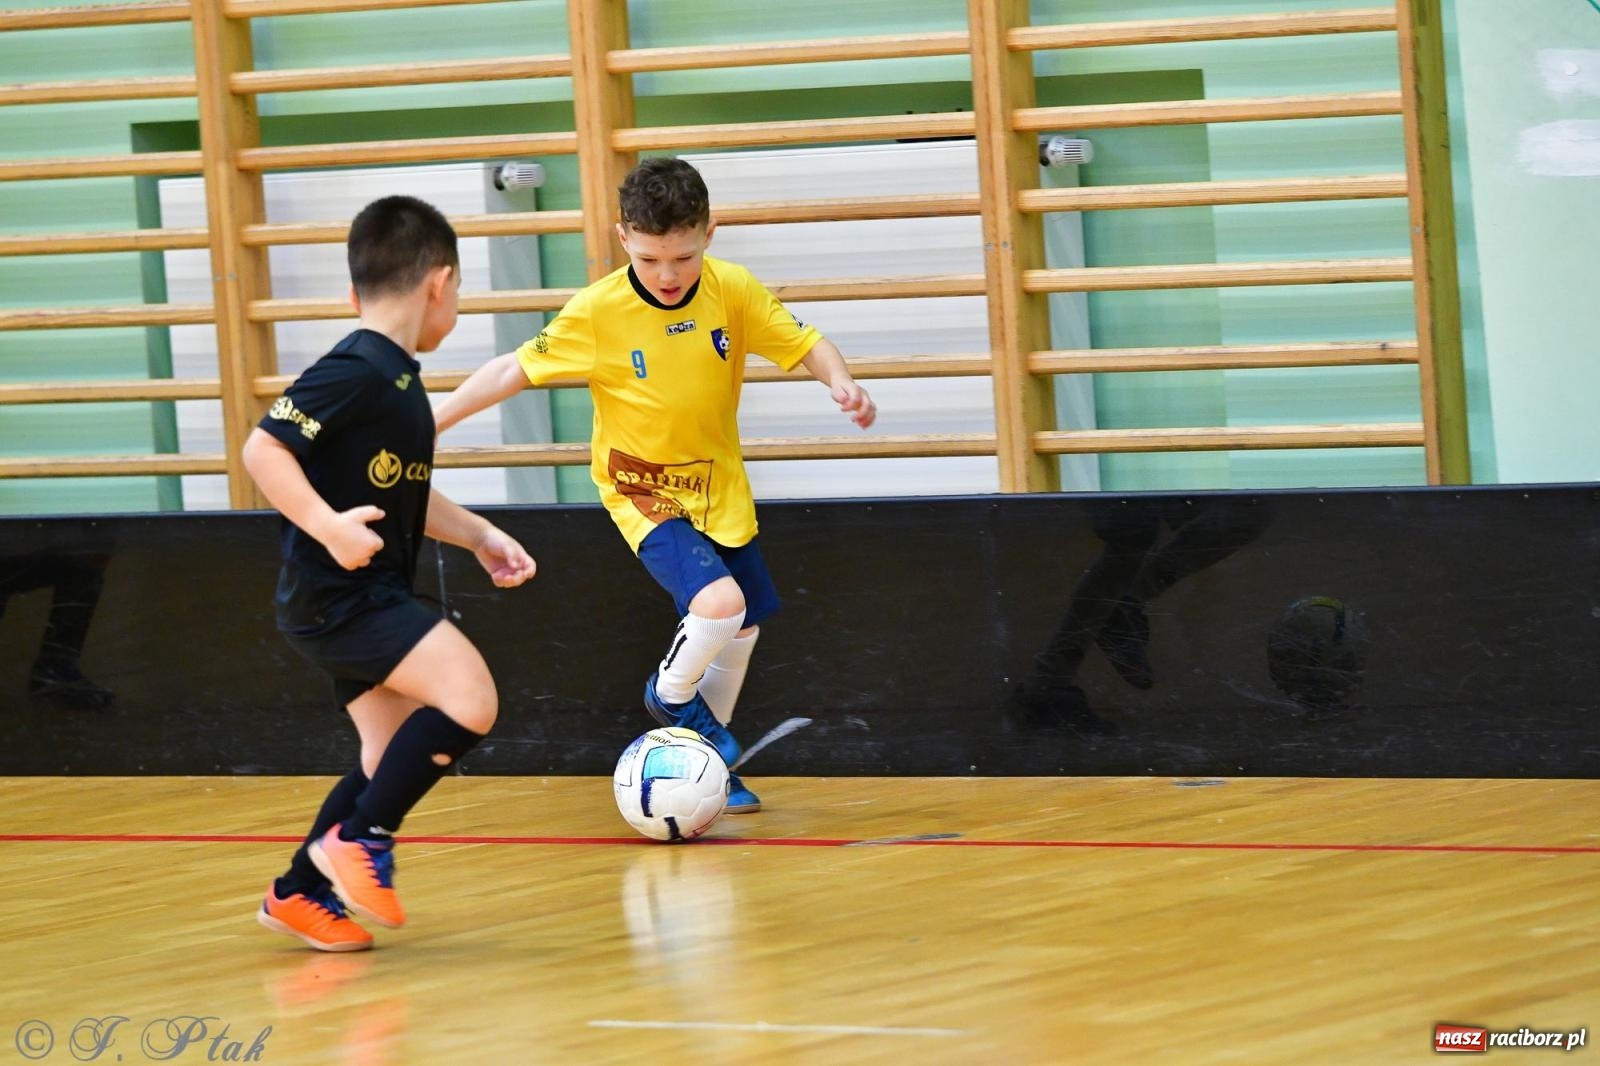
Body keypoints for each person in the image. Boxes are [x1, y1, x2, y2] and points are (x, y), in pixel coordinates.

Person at [434, 157, 876, 814]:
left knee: (742, 626)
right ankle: (667, 696)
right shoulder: (599, 311)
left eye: (682, 258)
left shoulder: (732, 290)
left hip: (719, 486)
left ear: (709, 234)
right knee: (720, 605)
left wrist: (840, 380)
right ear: (623, 240)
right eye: (649, 260)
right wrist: (432, 421)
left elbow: (807, 341)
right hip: (642, 489)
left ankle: (699, 762)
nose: (667, 276)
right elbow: (511, 371)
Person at [242, 195, 537, 952]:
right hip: (340, 597)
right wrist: (328, 526)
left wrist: (477, 535)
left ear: (355, 289)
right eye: (461, 291)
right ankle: (363, 839)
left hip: (357, 595)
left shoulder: (398, 384)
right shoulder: (358, 368)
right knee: (470, 696)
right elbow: (263, 450)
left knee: (385, 754)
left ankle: (297, 894)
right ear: (440, 284)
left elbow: (401, 489)